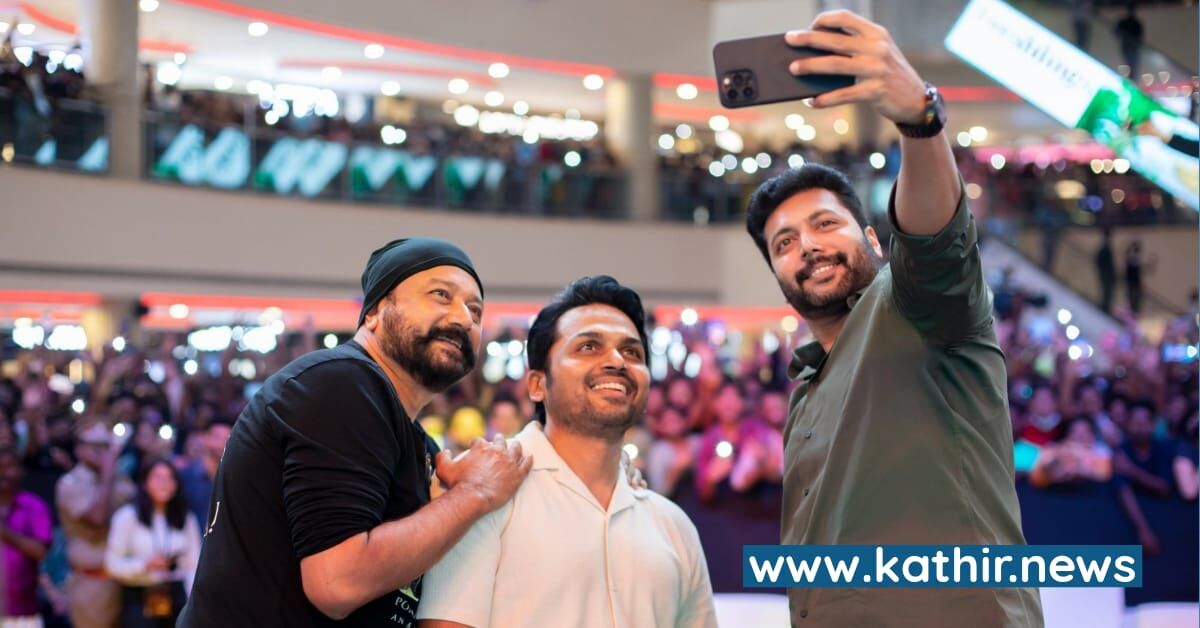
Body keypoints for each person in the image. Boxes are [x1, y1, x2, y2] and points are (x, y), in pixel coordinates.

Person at [743, 10, 1042, 625]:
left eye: (825, 223)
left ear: (875, 241)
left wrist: (919, 121)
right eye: (785, 243)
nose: (808, 246)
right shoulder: (803, 393)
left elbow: (934, 241)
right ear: (779, 276)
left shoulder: (915, 304)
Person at [179, 238, 532, 627]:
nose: (463, 318)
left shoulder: (413, 438)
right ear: (375, 311)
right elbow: (337, 583)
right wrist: (474, 494)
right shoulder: (343, 384)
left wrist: (447, 501)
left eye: (475, 310)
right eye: (440, 295)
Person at [417, 276, 717, 628]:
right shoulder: (483, 497)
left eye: (632, 352)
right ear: (537, 384)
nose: (617, 361)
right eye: (588, 347)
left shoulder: (673, 526)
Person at [55, 418, 136, 628]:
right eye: (96, 446)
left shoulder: (120, 478)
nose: (103, 453)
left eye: (106, 446)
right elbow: (97, 519)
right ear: (79, 449)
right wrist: (108, 473)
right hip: (92, 581)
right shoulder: (70, 483)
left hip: (127, 579)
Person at [105, 458, 201, 627]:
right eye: (158, 477)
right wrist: (144, 564)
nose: (164, 483)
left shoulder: (186, 518)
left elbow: (194, 565)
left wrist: (193, 602)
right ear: (144, 482)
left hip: (177, 596)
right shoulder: (127, 517)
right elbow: (112, 564)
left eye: (170, 478)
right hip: (139, 597)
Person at [0, 446, 53, 627]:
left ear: (21, 471)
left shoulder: (34, 506)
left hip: (23, 615)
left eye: (8, 466)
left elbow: (41, 552)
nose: (2, 473)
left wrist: (6, 533)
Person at [177, 416, 233, 529]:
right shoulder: (186, 476)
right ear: (204, 438)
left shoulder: (236, 478)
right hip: (193, 537)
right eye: (217, 437)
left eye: (228, 438)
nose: (222, 443)